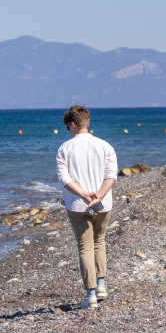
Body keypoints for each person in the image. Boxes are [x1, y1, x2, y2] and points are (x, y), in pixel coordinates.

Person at [56, 105, 118, 309]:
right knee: (99, 242)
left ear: (72, 124)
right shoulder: (105, 145)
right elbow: (111, 176)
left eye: (68, 127)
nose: (69, 130)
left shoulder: (65, 148)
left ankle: (90, 294)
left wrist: (85, 195)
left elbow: (65, 180)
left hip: (77, 204)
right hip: (103, 202)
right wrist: (98, 195)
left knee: (85, 247)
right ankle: (101, 285)